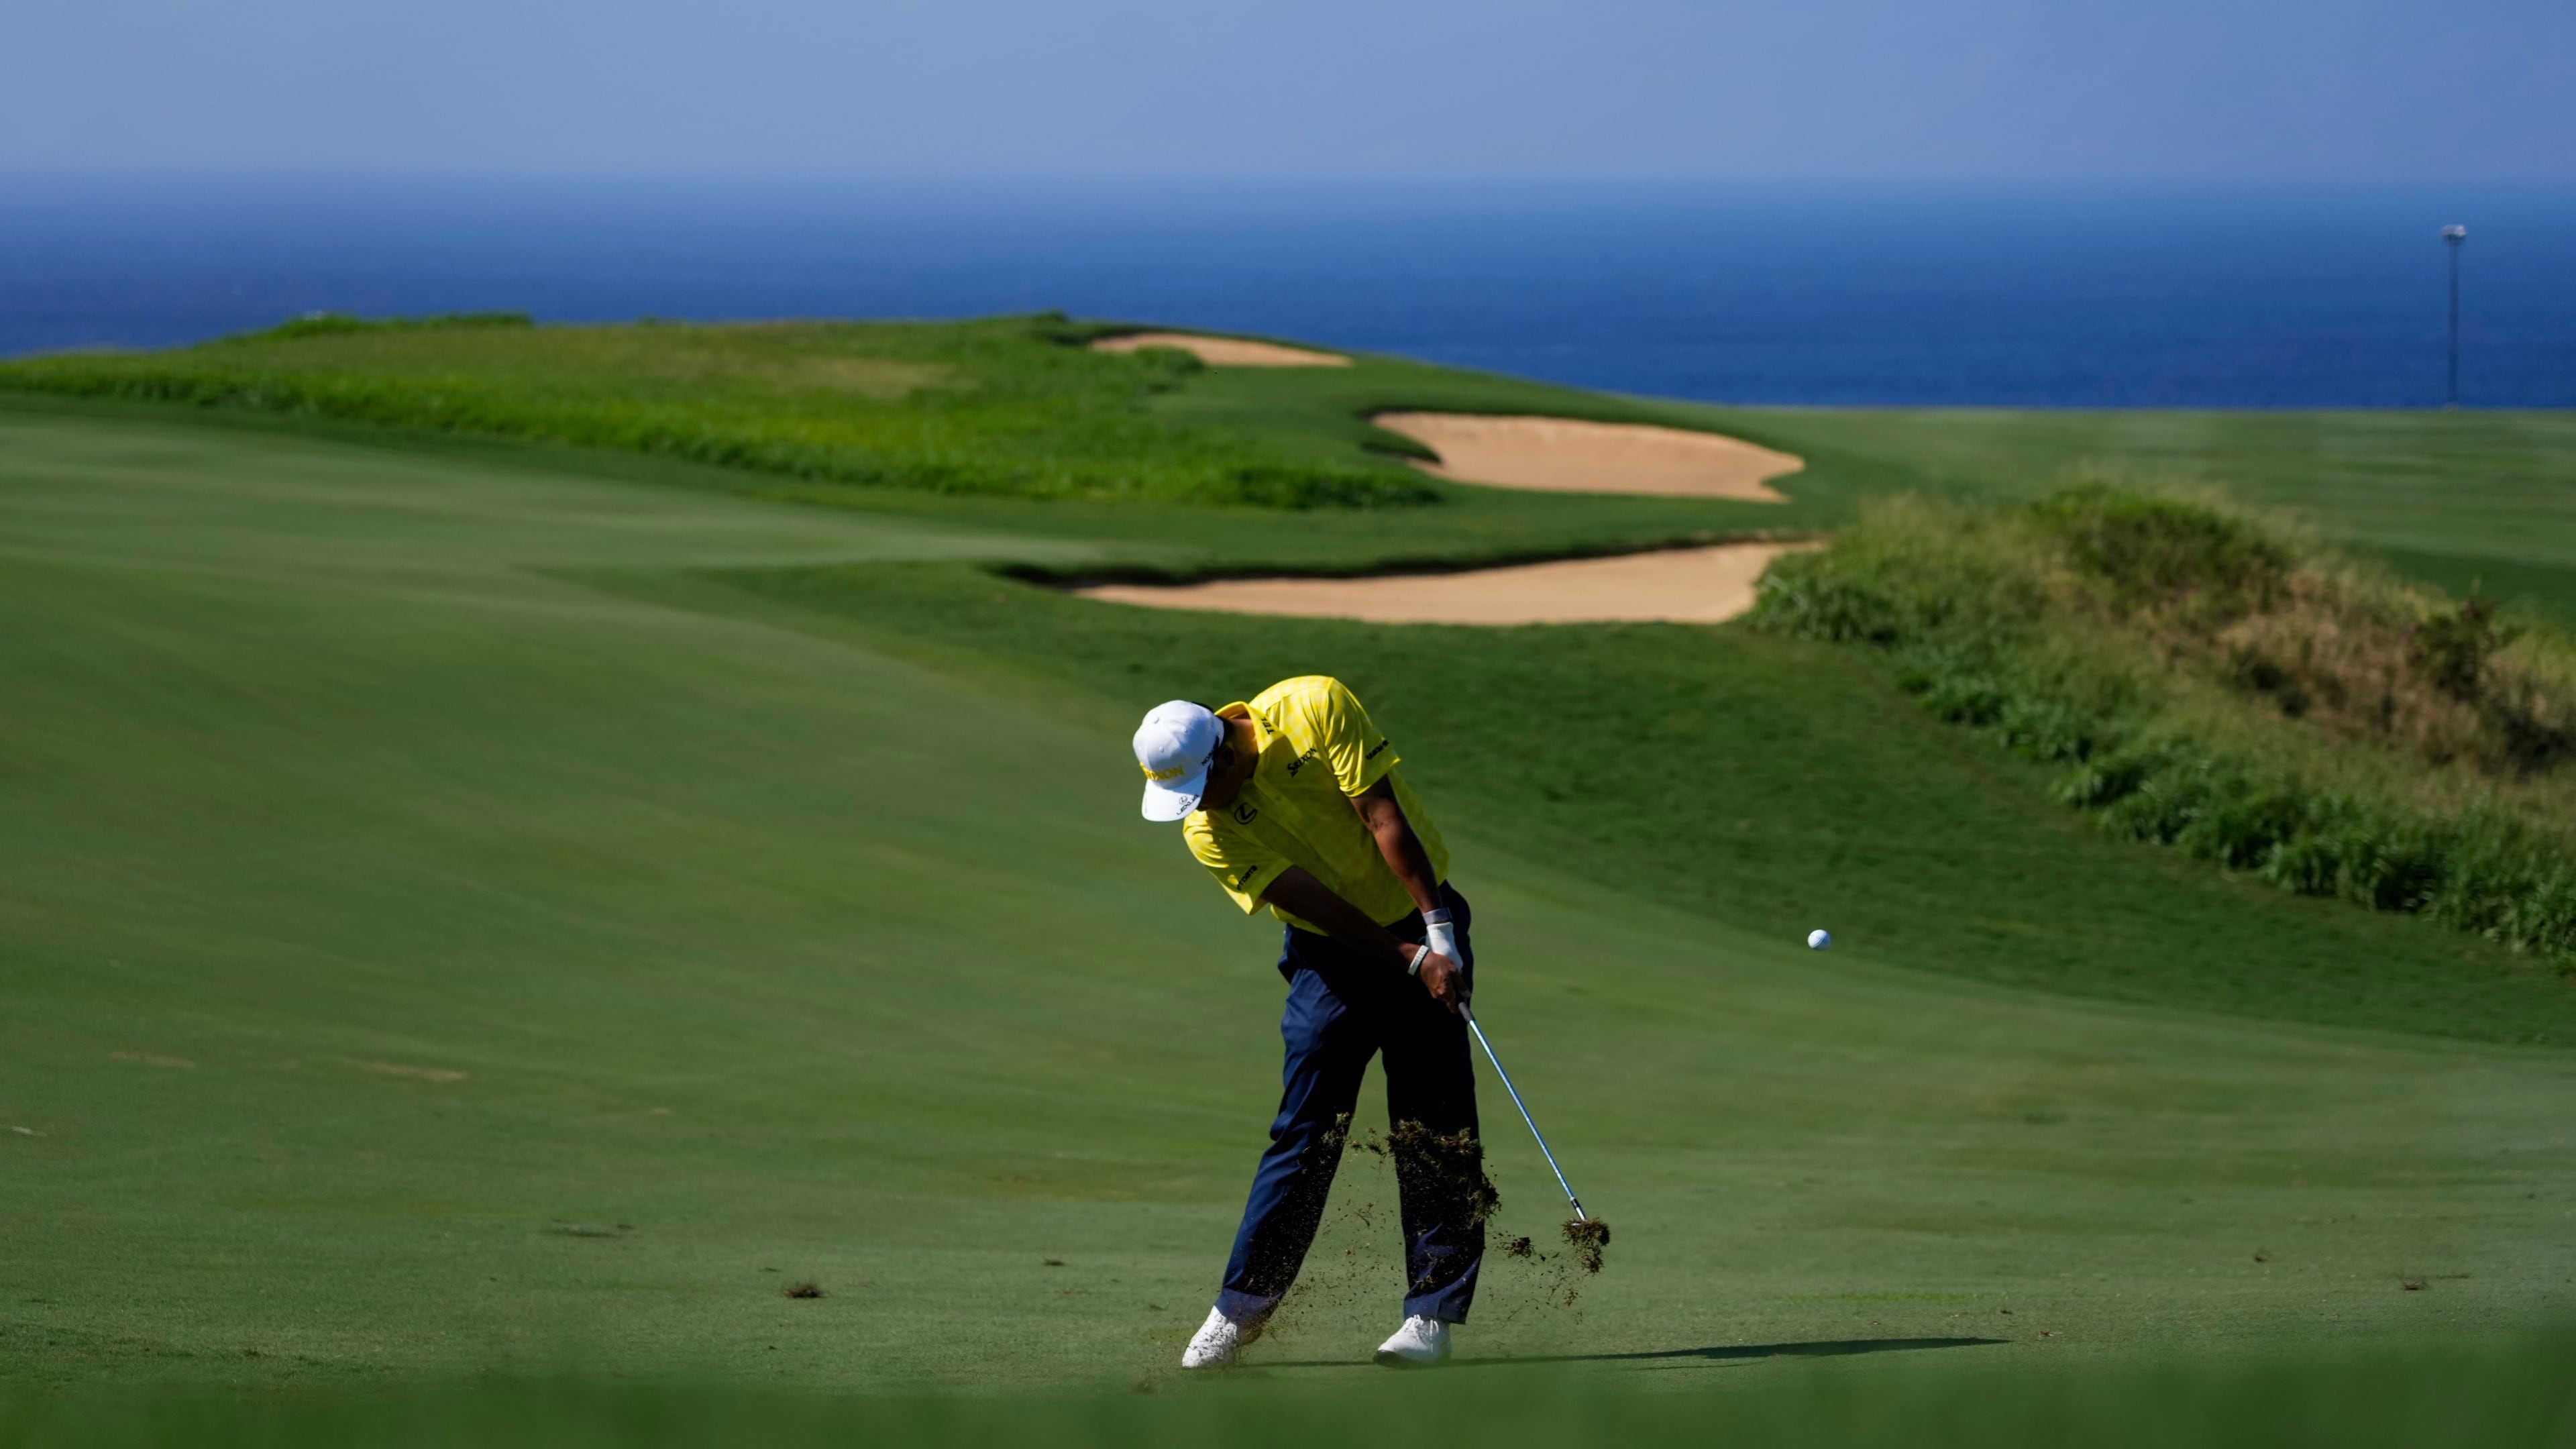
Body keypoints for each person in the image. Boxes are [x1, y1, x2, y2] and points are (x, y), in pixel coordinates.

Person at [1132, 676, 1483, 1369]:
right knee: (1305, 1129)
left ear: (1227, 756)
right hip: (1332, 956)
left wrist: (1437, 934)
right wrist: (1406, 959)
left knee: (1435, 1121)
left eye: (1201, 789)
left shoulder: (1313, 705)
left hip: (1420, 909)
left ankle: (1431, 1318)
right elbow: (1310, 902)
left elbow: (1382, 817)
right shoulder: (1207, 831)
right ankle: (1240, 1311)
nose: (1198, 809)